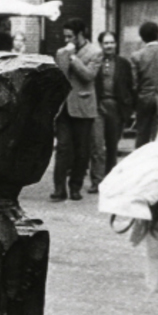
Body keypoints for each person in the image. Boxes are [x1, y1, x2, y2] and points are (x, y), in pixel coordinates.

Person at [52, 17, 102, 201]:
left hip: (83, 106)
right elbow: (60, 76)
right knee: (63, 148)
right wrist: (65, 55)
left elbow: (89, 76)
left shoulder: (95, 52)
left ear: (80, 34)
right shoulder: (61, 52)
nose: (67, 40)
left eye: (70, 36)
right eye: (65, 36)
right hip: (64, 107)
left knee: (82, 150)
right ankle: (59, 189)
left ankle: (75, 187)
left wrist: (73, 58)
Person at [89, 31, 134, 193]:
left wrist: (128, 110)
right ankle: (97, 181)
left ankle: (110, 180)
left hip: (116, 107)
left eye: (112, 42)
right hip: (98, 107)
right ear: (101, 44)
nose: (109, 46)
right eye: (106, 43)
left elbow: (130, 86)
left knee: (112, 146)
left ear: (116, 44)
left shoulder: (124, 63)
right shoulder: (95, 61)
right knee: (97, 146)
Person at [129, 20, 158, 148]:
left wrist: (135, 102)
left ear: (142, 37)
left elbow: (134, 83)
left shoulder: (137, 56)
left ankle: (142, 159)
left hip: (144, 99)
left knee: (142, 136)